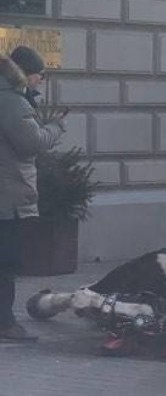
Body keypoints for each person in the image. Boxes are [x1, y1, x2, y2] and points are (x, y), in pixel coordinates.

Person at [0, 47, 65, 341]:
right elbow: (30, 142)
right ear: (26, 74)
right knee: (6, 263)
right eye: (40, 75)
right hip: (6, 196)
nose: (41, 81)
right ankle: (5, 324)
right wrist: (56, 126)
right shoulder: (11, 101)